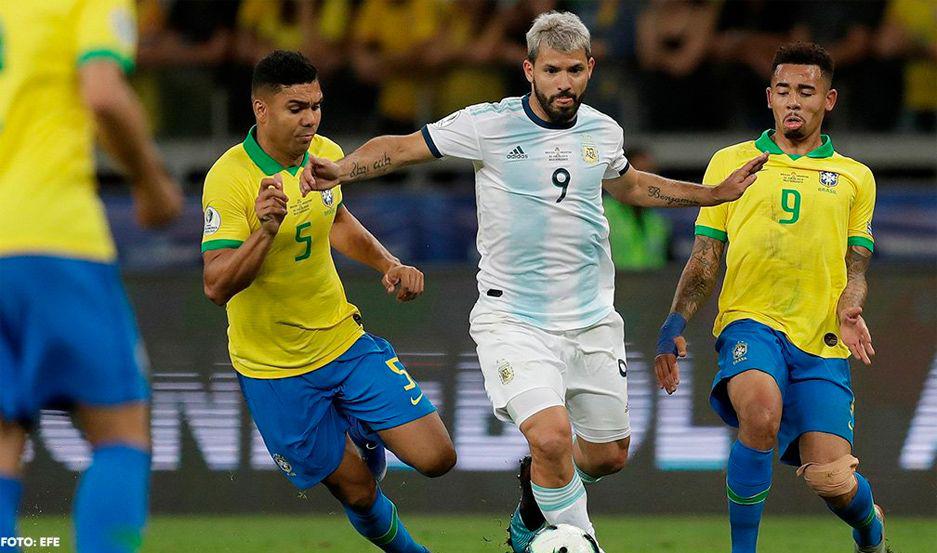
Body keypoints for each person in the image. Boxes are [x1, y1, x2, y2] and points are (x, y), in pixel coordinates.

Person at [300, 12, 766, 551]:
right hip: (514, 319)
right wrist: (342, 170)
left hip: (591, 319)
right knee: (550, 437)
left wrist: (713, 194)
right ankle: (578, 541)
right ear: (529, 69)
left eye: (573, 70)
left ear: (590, 68)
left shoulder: (603, 130)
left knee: (608, 455)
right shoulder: (489, 125)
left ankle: (531, 509)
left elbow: (632, 185)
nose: (562, 83)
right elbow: (402, 147)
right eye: (551, 71)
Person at [200, 50, 456, 553]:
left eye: (316, 105)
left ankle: (355, 425)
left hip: (342, 340)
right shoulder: (228, 179)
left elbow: (335, 220)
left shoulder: (326, 154)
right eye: (296, 107)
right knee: (360, 492)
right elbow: (216, 286)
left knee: (436, 457)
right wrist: (265, 231)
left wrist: (389, 264)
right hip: (274, 369)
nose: (311, 118)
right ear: (261, 110)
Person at [654, 43, 888, 553]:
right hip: (750, 323)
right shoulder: (731, 162)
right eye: (783, 91)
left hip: (822, 339)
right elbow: (704, 256)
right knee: (760, 412)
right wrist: (674, 324)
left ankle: (871, 531)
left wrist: (853, 300)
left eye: (806, 92)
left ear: (829, 100)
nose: (794, 102)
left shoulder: (855, 177)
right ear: (769, 97)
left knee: (833, 481)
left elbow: (858, 263)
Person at [0, 1, 184, 551]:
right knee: (120, 431)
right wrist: (152, 184)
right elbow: (102, 91)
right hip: (51, 238)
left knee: (4, 438)